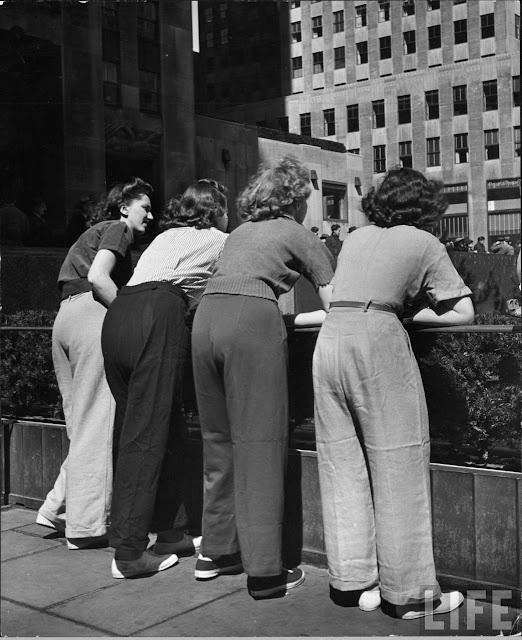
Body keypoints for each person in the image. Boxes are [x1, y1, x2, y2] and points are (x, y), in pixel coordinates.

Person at [313, 167, 474, 619]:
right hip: (376, 337)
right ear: (427, 207)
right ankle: (410, 595)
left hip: (330, 342)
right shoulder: (424, 242)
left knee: (340, 458)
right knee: (398, 461)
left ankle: (353, 582)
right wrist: (413, 316)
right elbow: (463, 311)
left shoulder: (357, 238)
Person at [191, 156, 334, 600]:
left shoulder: (238, 232)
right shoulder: (294, 231)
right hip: (251, 322)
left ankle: (214, 553)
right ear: (294, 201)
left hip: (204, 321)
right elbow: (338, 301)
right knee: (260, 443)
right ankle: (267, 573)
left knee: (218, 440)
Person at [101, 180, 229, 579]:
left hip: (120, 313)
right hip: (159, 312)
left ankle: (170, 530)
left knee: (153, 427)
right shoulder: (220, 238)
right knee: (148, 432)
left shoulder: (165, 236)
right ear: (217, 211)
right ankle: (129, 554)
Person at [36, 177, 153, 549]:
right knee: (98, 422)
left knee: (81, 422)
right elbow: (98, 277)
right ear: (124, 207)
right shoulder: (118, 230)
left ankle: (57, 507)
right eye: (145, 207)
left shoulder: (93, 232)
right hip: (92, 315)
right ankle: (84, 528)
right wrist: (127, 317)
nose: (150, 215)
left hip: (65, 318)